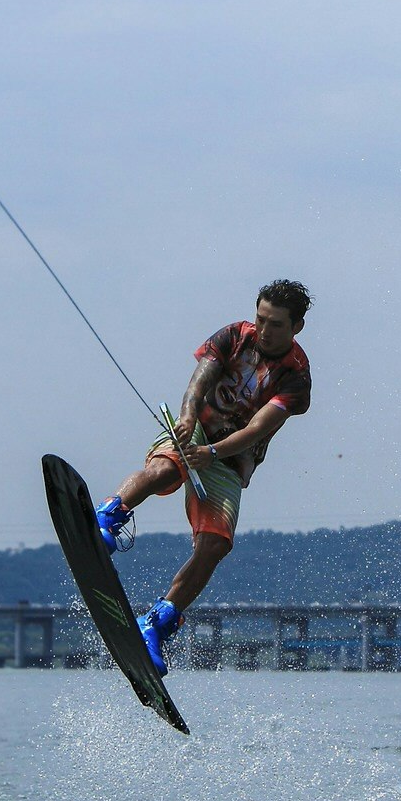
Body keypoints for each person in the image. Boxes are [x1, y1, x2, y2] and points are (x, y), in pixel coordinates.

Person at [95, 279, 313, 675]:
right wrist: (188, 418)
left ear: (296, 327)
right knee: (165, 469)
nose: (264, 330)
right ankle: (108, 516)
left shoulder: (296, 377)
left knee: (215, 545)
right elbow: (201, 379)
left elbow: (258, 428)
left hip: (230, 458)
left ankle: (157, 625)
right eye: (261, 319)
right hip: (195, 428)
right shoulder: (234, 335)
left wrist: (212, 453)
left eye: (276, 325)